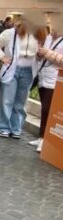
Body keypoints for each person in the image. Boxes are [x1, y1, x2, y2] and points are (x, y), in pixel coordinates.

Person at [0, 18, 44, 139]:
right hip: (12, 70)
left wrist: (39, 56)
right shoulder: (10, 33)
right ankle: (3, 127)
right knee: (7, 100)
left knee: (21, 102)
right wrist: (2, 57)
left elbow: (39, 54)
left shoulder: (36, 35)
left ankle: (16, 128)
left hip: (29, 71)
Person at [34, 23, 63, 152]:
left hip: (55, 80)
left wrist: (48, 53)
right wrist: (39, 54)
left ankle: (45, 140)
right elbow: (41, 58)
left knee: (47, 110)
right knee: (44, 109)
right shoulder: (49, 38)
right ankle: (41, 137)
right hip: (43, 78)